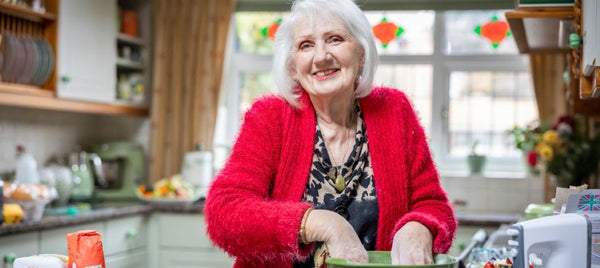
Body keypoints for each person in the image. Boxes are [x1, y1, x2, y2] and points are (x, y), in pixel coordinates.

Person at [204, 0, 457, 267]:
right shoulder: (270, 118)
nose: (321, 56)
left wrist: (419, 226)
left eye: (335, 39)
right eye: (306, 45)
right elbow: (225, 212)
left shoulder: (395, 111)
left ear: (362, 54)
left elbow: (433, 204)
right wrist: (321, 223)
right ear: (292, 67)